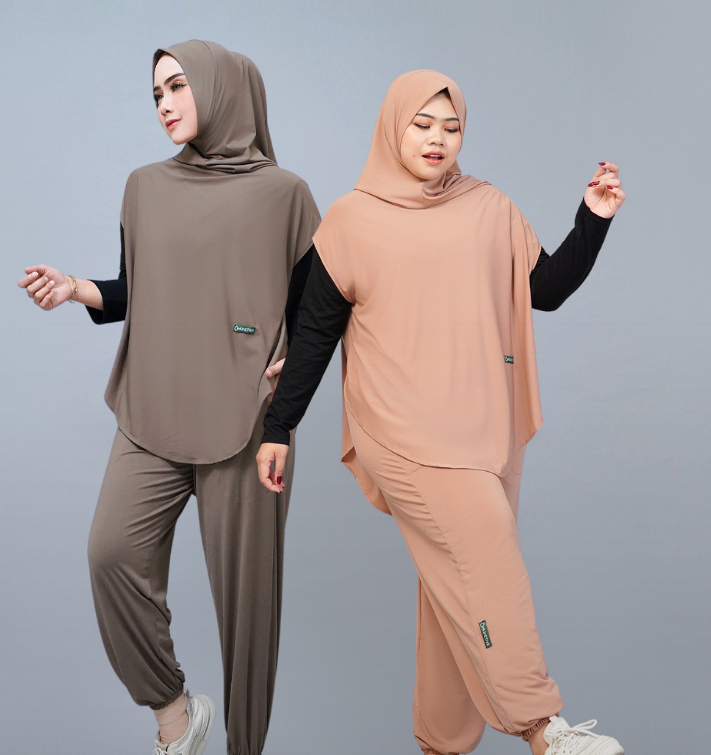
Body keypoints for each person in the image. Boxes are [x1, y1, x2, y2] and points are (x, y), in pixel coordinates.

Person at [256, 70, 626, 755]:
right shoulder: (353, 218)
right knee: (484, 553)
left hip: (481, 429)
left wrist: (592, 219)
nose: (437, 139)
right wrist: (279, 426)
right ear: (392, 128)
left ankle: (441, 743)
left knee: (451, 582)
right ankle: (541, 727)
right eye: (421, 124)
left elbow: (543, 289)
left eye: (450, 127)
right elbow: (315, 330)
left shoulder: (488, 207)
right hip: (398, 428)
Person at [18, 40, 319, 755]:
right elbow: (138, 290)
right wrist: (77, 289)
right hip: (151, 405)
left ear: (221, 89)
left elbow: (313, 315)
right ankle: (176, 718)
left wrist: (289, 387)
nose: (164, 104)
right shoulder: (143, 187)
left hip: (247, 420)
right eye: (156, 93)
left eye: (178, 86)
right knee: (110, 553)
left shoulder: (285, 195)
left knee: (247, 611)